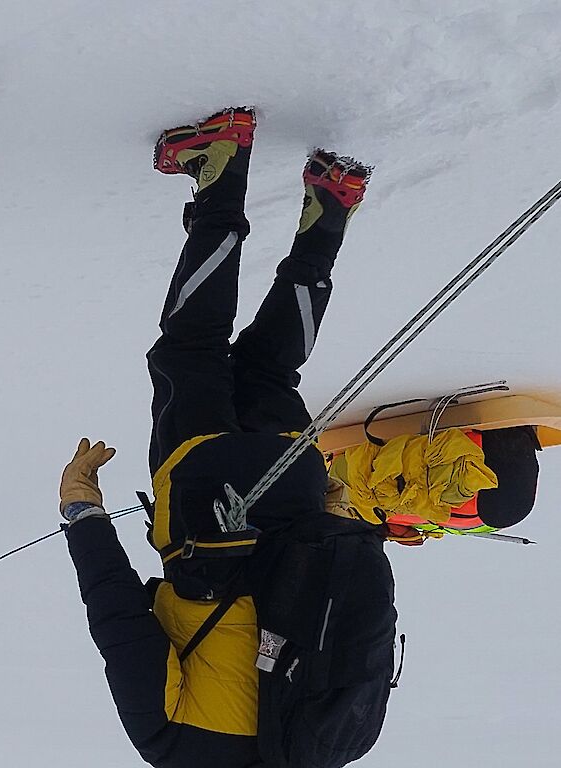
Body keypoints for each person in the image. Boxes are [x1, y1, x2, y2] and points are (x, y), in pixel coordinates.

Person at [56, 108, 396, 768]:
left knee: (272, 367)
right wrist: (82, 512)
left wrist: (333, 516)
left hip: (302, 496)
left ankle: (331, 205)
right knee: (192, 350)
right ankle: (218, 170)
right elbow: (120, 622)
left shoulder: (324, 746)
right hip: (203, 504)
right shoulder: (178, 749)